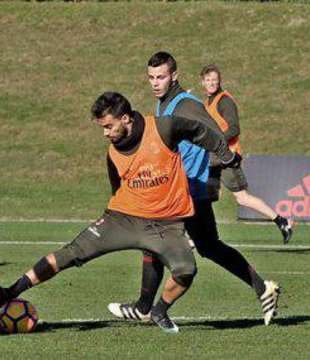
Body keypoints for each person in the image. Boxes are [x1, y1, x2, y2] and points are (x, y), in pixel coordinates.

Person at [0, 91, 241, 333]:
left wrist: (226, 154)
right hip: (123, 219)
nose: (105, 133)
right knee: (70, 253)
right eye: (102, 127)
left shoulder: (164, 128)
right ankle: (12, 291)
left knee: (186, 270)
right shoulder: (113, 153)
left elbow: (200, 131)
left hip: (166, 224)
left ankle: (159, 311)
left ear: (126, 118)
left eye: (108, 126)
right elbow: (117, 189)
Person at [107, 52, 280, 326]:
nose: (155, 82)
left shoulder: (185, 104)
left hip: (185, 191)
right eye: (151, 77)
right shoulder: (165, 104)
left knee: (153, 243)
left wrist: (218, 164)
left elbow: (214, 134)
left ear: (174, 75)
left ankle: (145, 308)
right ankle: (263, 289)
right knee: (209, 246)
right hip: (185, 190)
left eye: (161, 77)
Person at [200, 65, 295, 244]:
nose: (212, 83)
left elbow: (234, 128)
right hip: (213, 158)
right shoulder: (207, 102)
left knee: (242, 198)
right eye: (208, 80)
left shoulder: (224, 101)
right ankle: (201, 237)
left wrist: (216, 140)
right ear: (202, 83)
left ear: (219, 80)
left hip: (228, 157)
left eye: (214, 79)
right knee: (204, 196)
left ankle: (281, 221)